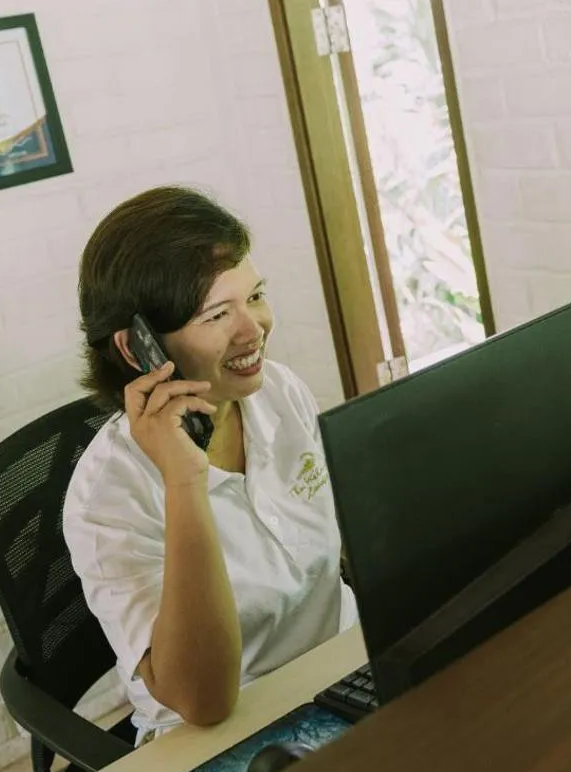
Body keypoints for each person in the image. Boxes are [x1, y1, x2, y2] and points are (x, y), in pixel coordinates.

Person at [64, 186, 355, 741]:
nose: (255, 329)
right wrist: (184, 479)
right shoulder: (107, 499)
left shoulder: (279, 392)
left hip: (339, 672)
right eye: (218, 314)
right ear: (139, 349)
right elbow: (204, 700)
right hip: (224, 736)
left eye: (256, 296)